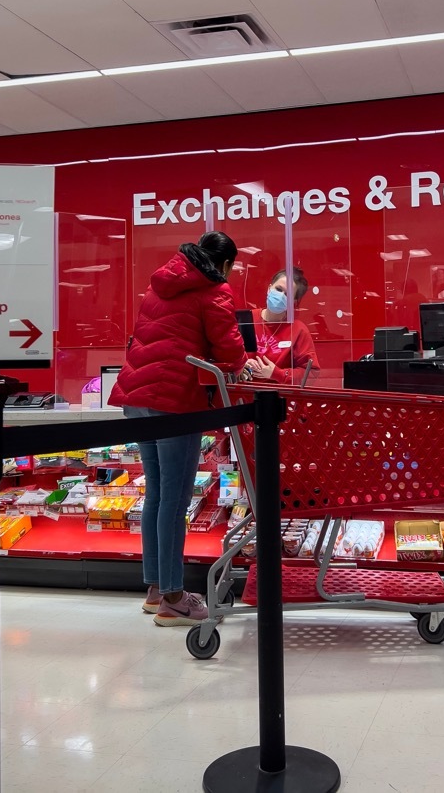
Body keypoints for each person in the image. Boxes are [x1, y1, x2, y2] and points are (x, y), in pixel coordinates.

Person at [109, 232, 249, 627]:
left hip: (138, 396)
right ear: (224, 265)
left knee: (157, 495)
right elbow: (230, 350)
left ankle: (156, 589)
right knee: (174, 499)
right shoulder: (213, 288)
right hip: (174, 401)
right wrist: (240, 361)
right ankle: (173, 597)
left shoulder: (162, 283)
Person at [247, 267, 320, 385]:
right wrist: (241, 364)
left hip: (280, 397)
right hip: (244, 394)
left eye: (288, 295)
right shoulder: (247, 319)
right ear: (269, 288)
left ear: (294, 301)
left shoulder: (298, 330)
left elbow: (311, 374)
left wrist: (277, 374)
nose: (281, 296)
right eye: (278, 289)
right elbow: (227, 357)